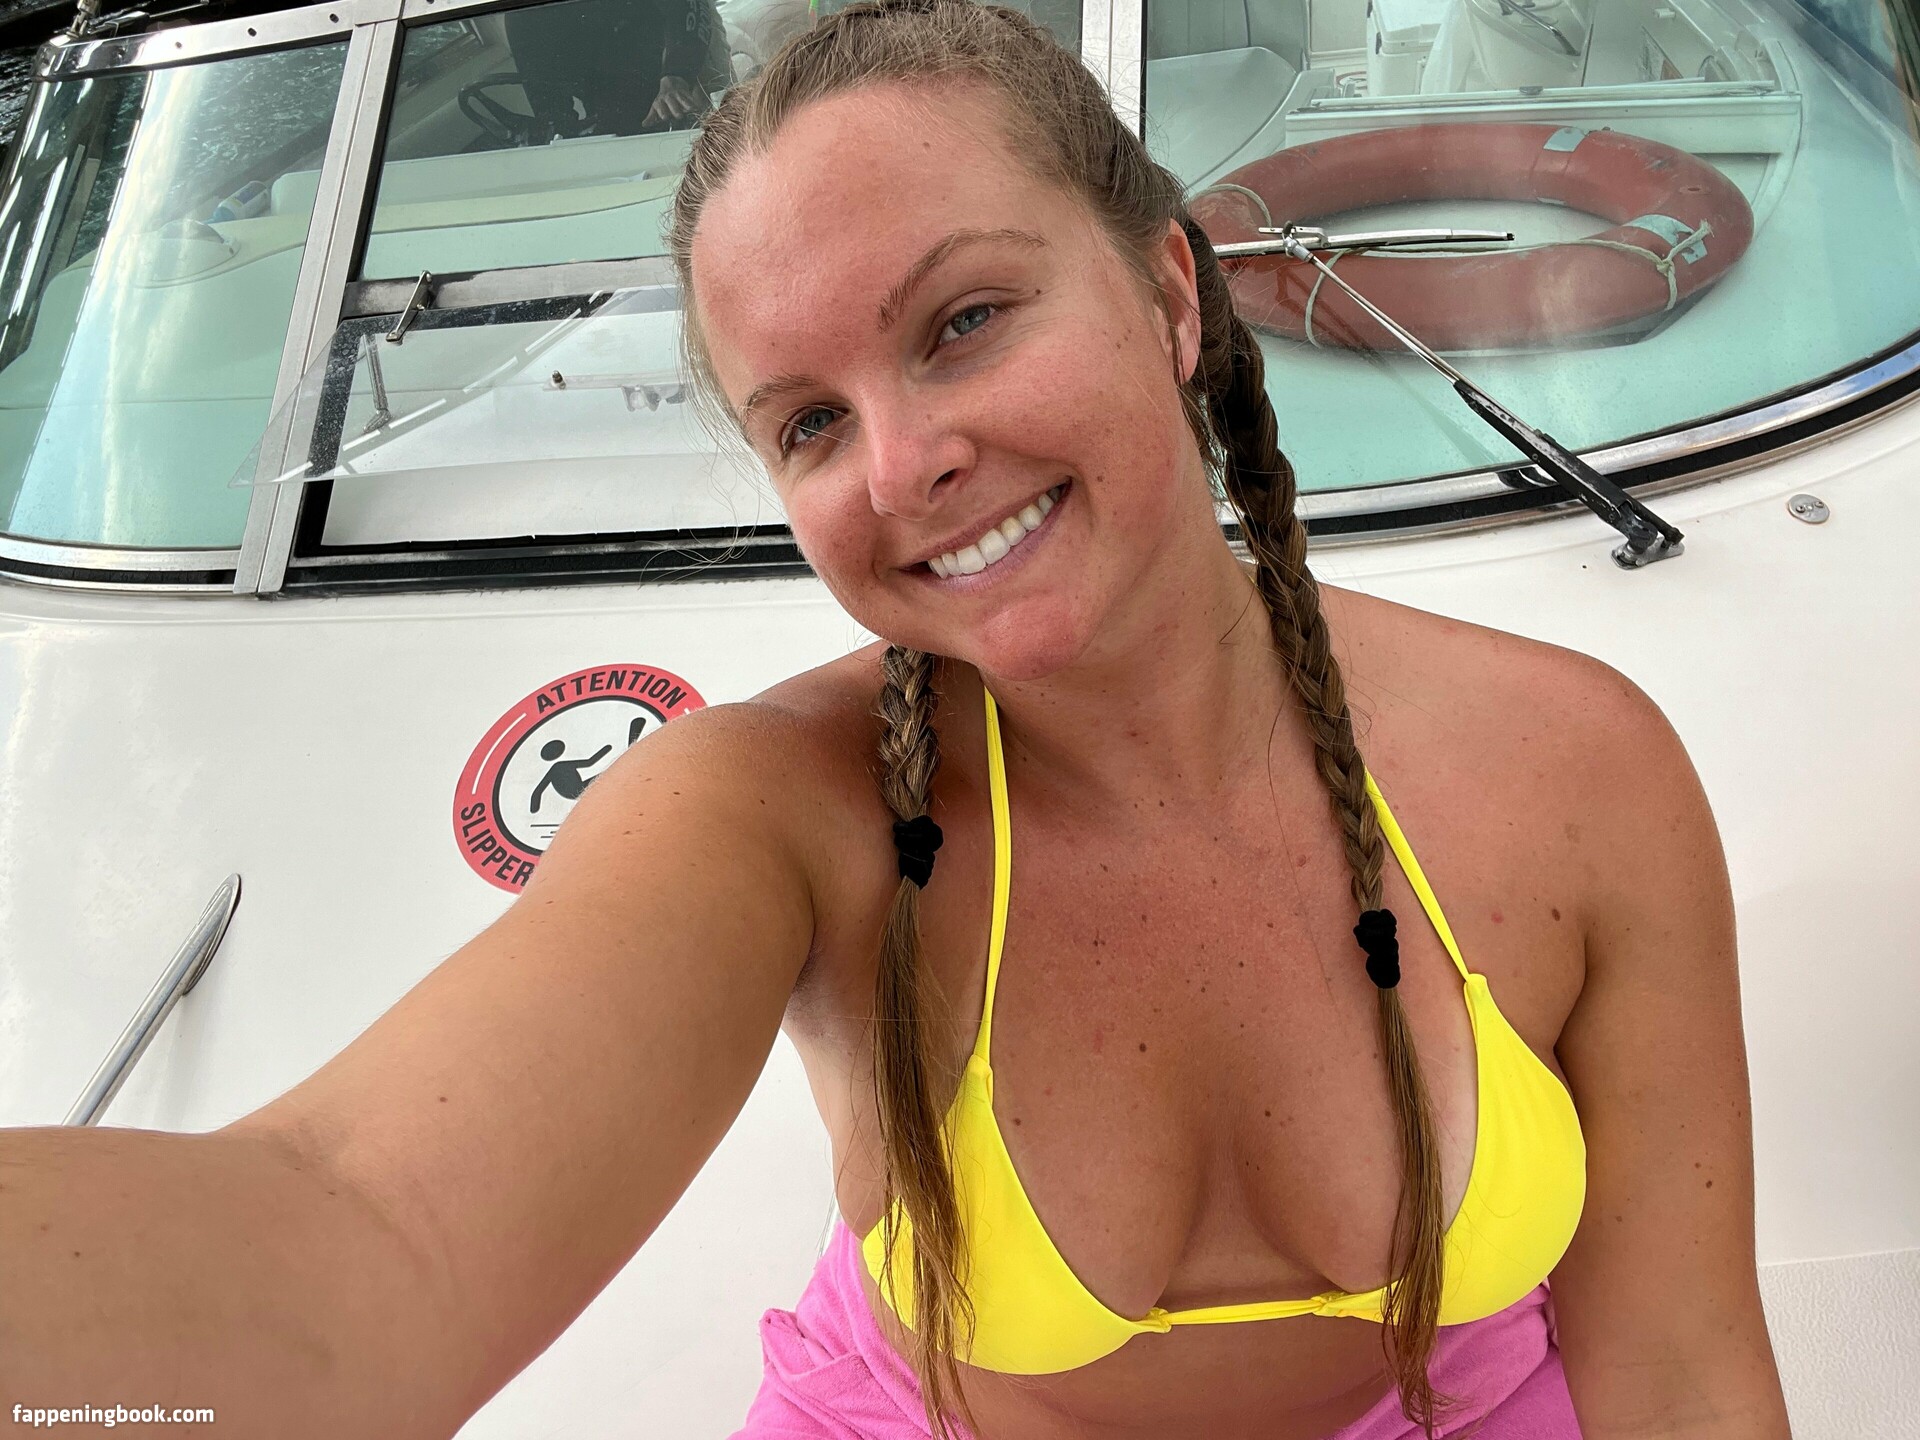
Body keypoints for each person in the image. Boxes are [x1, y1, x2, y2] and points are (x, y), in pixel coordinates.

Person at [0, 3, 1791, 1437]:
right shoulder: (777, 820)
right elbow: (353, 1231)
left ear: (1170, 294)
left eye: (965, 320)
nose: (903, 463)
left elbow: (1689, 1382)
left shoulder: (1576, 772)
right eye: (808, 424)